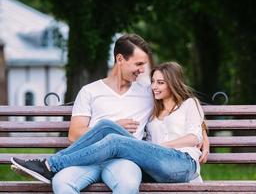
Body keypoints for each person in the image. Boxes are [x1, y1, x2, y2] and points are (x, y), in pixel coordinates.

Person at [12, 62, 208, 186]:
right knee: (107, 126)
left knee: (115, 140)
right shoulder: (152, 110)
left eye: (161, 83)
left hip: (182, 164)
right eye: (153, 81)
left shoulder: (190, 104)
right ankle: (47, 164)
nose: (154, 87)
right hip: (156, 167)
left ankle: (51, 165)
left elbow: (194, 136)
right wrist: (151, 148)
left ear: (173, 84)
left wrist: (163, 145)